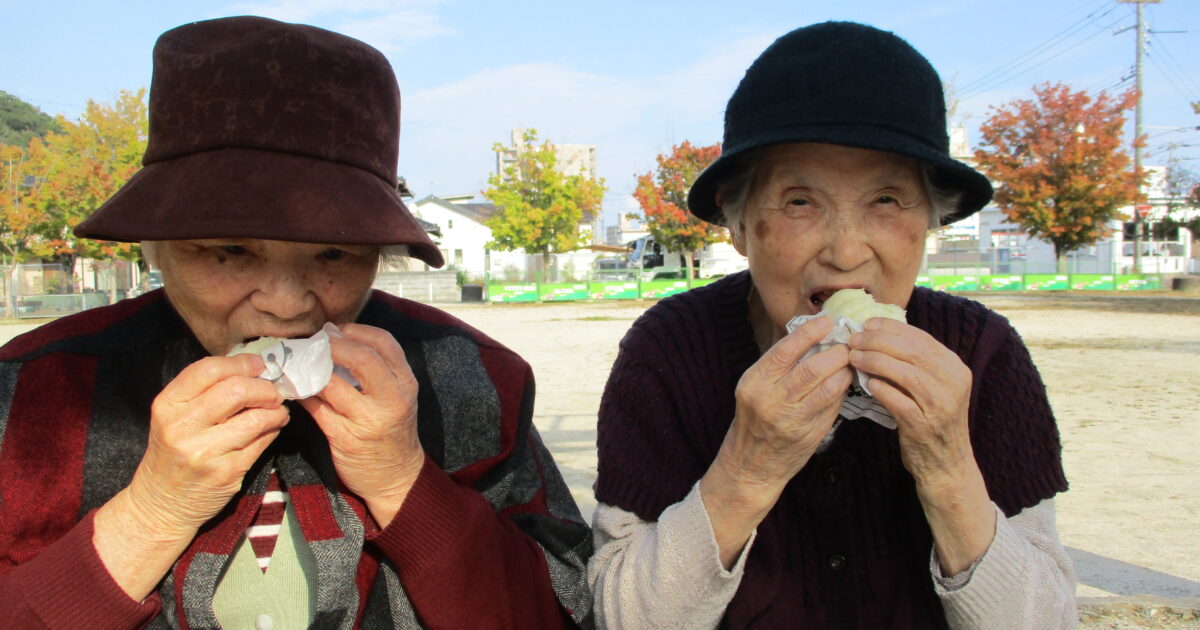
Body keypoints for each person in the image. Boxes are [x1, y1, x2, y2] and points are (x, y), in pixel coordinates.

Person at [0, 16, 590, 629]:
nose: (285, 303)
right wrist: (154, 510)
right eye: (229, 250)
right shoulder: (34, 395)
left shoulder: (476, 380)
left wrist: (403, 482)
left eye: (333, 254)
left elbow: (559, 615)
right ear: (159, 247)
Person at [589, 21, 1075, 629]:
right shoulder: (670, 350)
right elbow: (622, 619)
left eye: (887, 200)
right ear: (738, 226)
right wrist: (748, 468)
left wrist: (947, 465)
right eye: (799, 201)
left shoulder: (982, 352)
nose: (846, 252)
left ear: (929, 221)